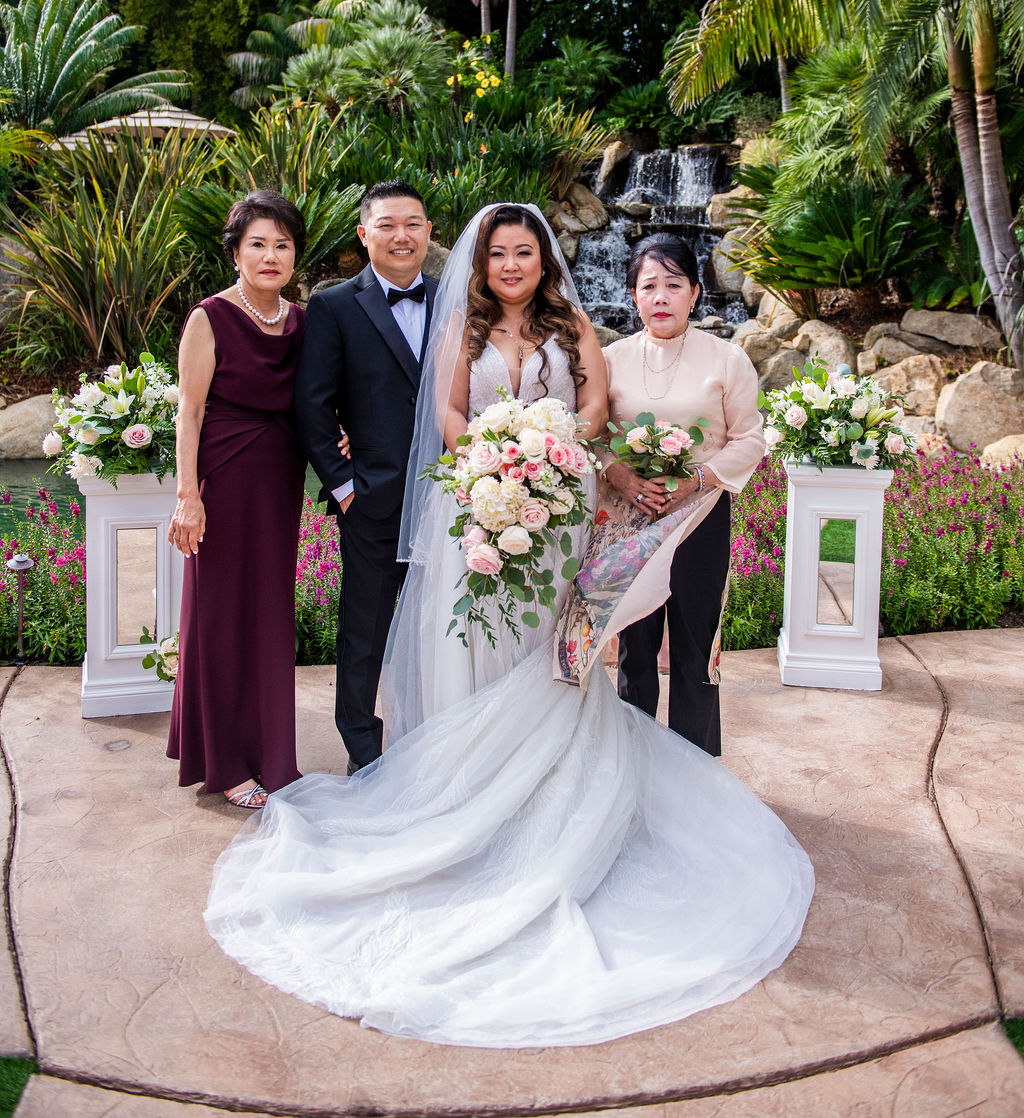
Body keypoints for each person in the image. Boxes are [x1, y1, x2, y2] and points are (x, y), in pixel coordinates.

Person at [204, 203, 813, 1048]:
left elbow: (595, 409)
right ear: (483, 263)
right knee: (480, 646)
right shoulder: (461, 326)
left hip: (557, 513)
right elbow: (449, 414)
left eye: (526, 252)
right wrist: (495, 455)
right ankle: (472, 796)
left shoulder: (575, 326)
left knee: (556, 654)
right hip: (483, 505)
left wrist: (553, 445)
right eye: (499, 254)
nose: (513, 265)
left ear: (543, 260)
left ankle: (560, 796)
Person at [167, 190, 307, 809]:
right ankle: (225, 762)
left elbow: (315, 401)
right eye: (258, 244)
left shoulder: (302, 322)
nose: (271, 256)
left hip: (279, 484)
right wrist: (187, 497)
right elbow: (189, 413)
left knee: (268, 613)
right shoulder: (210, 317)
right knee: (221, 617)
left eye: (282, 244)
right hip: (223, 483)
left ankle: (271, 754)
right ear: (235, 254)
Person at [599, 235, 765, 755]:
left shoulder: (727, 359)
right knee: (635, 646)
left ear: (694, 293)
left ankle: (697, 766)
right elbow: (591, 435)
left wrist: (696, 479)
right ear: (633, 294)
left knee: (696, 645)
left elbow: (750, 438)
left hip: (701, 516)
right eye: (649, 286)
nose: (661, 298)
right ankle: (633, 762)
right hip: (631, 520)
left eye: (674, 285)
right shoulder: (610, 360)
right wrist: (620, 476)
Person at [293, 181, 438, 773]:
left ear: (429, 232)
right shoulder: (333, 305)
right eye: (387, 225)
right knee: (364, 631)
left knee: (440, 629)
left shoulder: (458, 300)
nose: (401, 236)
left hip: (450, 502)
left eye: (412, 224)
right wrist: (345, 485)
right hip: (372, 500)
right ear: (364, 234)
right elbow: (312, 404)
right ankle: (363, 750)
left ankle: (432, 741)